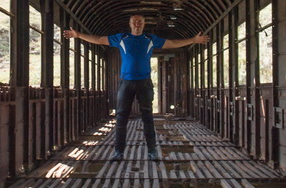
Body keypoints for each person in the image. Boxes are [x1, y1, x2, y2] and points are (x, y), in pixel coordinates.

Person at [64, 14, 209, 160]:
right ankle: (118, 152)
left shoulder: (150, 39)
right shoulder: (122, 38)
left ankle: (152, 151)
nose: (137, 24)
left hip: (144, 83)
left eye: (140, 22)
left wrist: (193, 40)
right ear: (130, 24)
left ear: (144, 24)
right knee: (121, 117)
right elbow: (99, 39)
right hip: (126, 83)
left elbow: (171, 43)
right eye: (134, 22)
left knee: (148, 117)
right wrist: (78, 35)